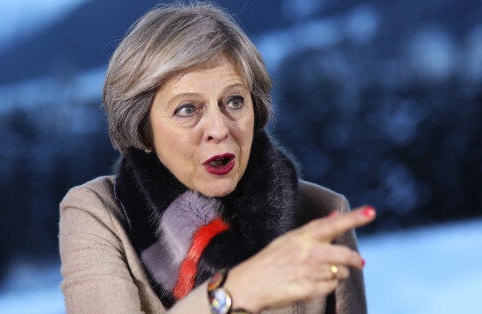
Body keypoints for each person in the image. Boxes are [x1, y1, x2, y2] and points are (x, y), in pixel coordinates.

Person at [58, 2, 375, 313]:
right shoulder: (97, 213)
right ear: (143, 129)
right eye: (187, 109)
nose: (219, 128)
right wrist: (234, 290)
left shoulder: (324, 214)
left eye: (234, 101)